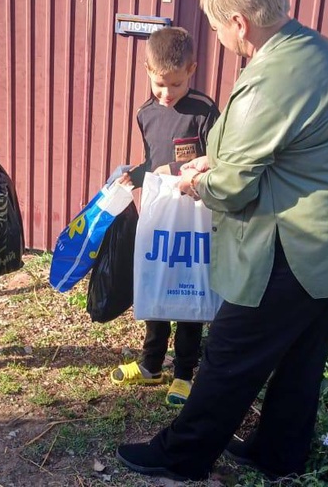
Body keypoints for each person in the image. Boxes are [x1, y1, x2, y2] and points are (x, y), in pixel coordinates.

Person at [116, 0, 328, 480]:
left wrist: (197, 181)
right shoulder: (320, 53)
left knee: (231, 351)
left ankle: (182, 455)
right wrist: (212, 157)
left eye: (218, 26)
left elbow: (234, 187)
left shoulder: (269, 78)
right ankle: (278, 452)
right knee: (300, 355)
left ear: (239, 22)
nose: (219, 36)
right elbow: (270, 143)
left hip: (298, 245)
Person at [110, 27, 220, 406]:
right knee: (156, 286)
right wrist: (134, 175)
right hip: (158, 217)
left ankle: (185, 373)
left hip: (193, 219)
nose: (167, 93)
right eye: (160, 84)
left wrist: (174, 171)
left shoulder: (205, 111)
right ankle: (150, 365)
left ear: (191, 69)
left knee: (187, 292)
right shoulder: (145, 113)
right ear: (147, 70)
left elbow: (217, 161)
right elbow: (153, 163)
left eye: (175, 84)